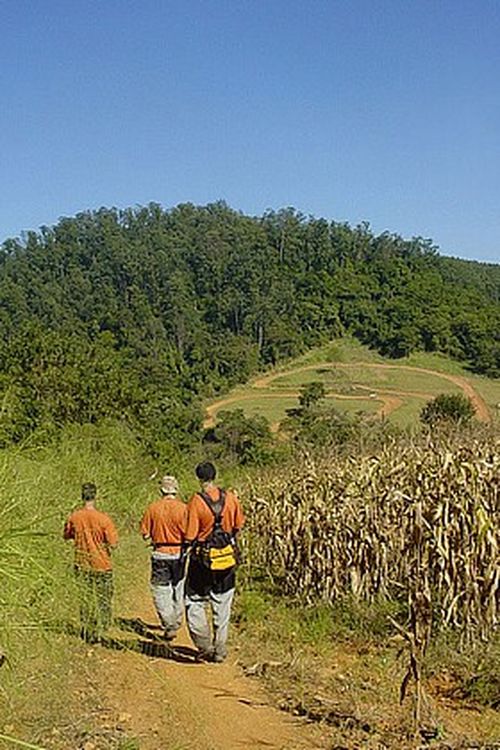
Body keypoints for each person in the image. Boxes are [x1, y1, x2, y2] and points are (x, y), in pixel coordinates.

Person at [184, 462, 244, 663]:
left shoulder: (196, 502)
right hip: (226, 560)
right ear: (215, 476)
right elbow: (238, 526)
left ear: (198, 478)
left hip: (202, 562)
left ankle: (204, 645)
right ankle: (220, 650)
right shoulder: (231, 498)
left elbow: (191, 534)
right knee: (223, 604)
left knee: (194, 602)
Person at [63, 482, 118, 642]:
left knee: (85, 597)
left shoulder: (74, 517)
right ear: (95, 496)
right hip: (102, 565)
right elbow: (113, 544)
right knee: (104, 597)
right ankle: (102, 628)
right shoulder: (104, 519)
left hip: (81, 564)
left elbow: (66, 535)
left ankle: (88, 630)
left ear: (82, 496)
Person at [140, 475, 188, 641]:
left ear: (162, 490)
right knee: (178, 587)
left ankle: (169, 623)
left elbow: (145, 534)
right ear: (176, 489)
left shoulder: (152, 508)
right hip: (179, 554)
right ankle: (177, 619)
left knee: (161, 590)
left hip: (160, 553)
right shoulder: (184, 509)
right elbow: (189, 534)